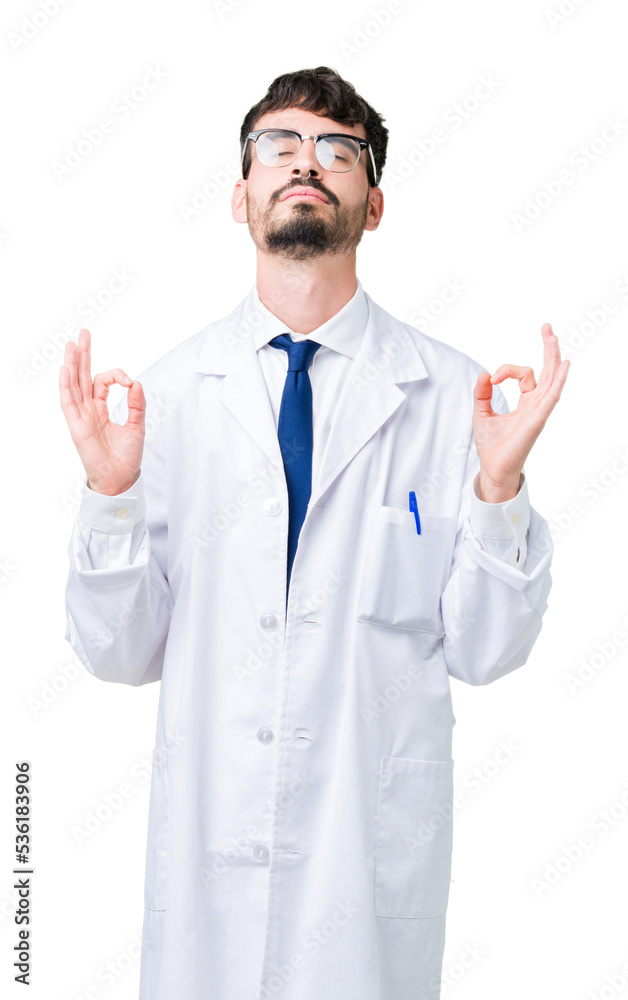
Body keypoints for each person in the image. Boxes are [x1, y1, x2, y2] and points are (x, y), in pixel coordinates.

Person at [60, 66, 569, 1000]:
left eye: (338, 151)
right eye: (279, 148)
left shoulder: (452, 397)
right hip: (207, 872)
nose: (306, 164)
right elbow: (118, 655)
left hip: (364, 879)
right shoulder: (167, 398)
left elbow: (490, 652)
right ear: (240, 194)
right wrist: (111, 491)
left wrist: (498, 485)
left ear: (373, 204)